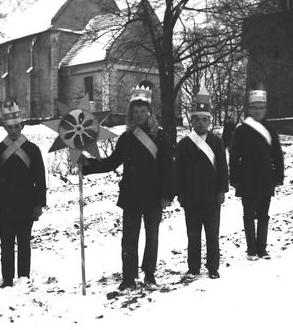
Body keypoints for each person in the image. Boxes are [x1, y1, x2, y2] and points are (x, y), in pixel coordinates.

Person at [79, 82, 174, 291]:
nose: (140, 115)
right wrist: (87, 165)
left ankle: (149, 274)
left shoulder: (160, 136)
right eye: (136, 111)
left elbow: (168, 167)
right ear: (131, 113)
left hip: (154, 194)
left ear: (149, 112)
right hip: (131, 194)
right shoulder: (127, 138)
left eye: (143, 111)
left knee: (152, 237)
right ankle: (128, 277)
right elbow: (112, 162)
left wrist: (167, 194)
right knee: (129, 238)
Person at [0, 101, 47, 289]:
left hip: (27, 203)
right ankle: (8, 278)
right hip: (5, 204)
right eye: (9, 127)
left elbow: (40, 179)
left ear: (22, 126)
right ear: (4, 127)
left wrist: (39, 204)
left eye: (16, 126)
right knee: (6, 245)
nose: (13, 130)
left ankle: (24, 277)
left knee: (24, 243)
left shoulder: (33, 150)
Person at [175, 86, 228, 279]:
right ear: (192, 121)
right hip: (191, 197)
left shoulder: (217, 143)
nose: (200, 123)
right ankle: (194, 266)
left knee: (213, 235)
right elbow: (178, 171)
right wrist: (180, 193)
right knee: (193, 235)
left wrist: (222, 190)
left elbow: (223, 168)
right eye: (197, 119)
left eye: (204, 119)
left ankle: (213, 267)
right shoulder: (183, 144)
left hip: (212, 197)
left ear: (209, 121)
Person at [229, 86, 284, 260]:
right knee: (248, 215)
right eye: (254, 108)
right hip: (247, 180)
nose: (258, 111)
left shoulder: (271, 130)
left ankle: (262, 248)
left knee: (263, 215)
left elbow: (277, 155)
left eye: (261, 108)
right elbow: (234, 157)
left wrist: (278, 177)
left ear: (265, 109)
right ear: (249, 109)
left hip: (265, 179)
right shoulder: (241, 130)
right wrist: (235, 179)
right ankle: (251, 249)